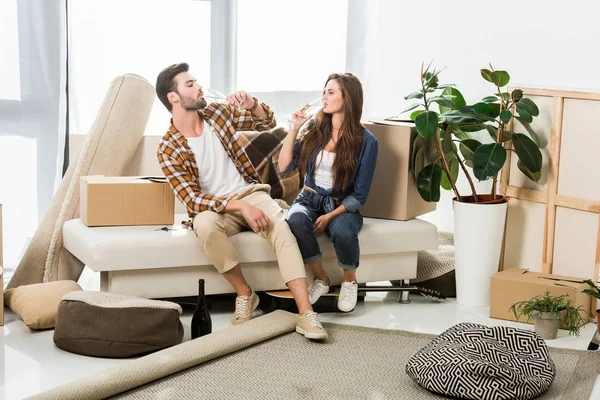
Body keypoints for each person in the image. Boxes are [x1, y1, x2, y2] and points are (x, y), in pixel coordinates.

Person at [155, 63, 327, 340]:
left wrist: (252, 104)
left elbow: (266, 122)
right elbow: (191, 198)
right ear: (172, 97)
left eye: (196, 81)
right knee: (205, 226)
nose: (198, 86)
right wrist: (239, 207)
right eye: (190, 84)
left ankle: (306, 313)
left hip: (251, 192)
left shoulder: (217, 115)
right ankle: (245, 293)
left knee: (282, 228)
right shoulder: (168, 147)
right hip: (215, 207)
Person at [278, 73, 378, 313]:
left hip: (341, 203)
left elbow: (360, 195)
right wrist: (294, 129)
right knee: (295, 218)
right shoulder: (315, 127)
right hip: (309, 197)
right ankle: (321, 279)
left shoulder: (367, 142)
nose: (324, 97)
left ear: (348, 98)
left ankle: (349, 281)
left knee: (343, 230)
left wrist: (329, 217)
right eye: (324, 91)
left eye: (330, 92)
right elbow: (284, 167)